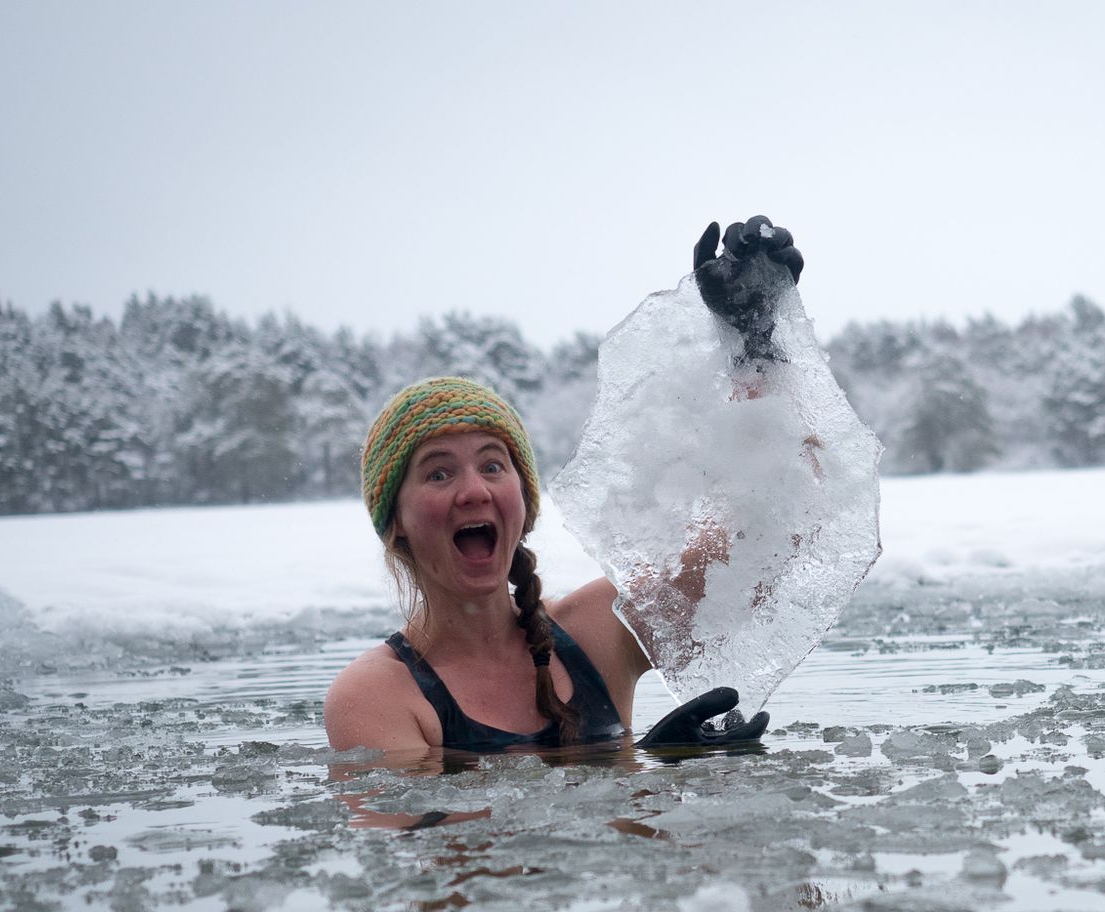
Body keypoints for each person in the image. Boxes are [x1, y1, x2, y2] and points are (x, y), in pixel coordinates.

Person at [323, 216, 805, 759]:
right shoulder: (376, 696)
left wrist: (754, 344)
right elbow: (446, 837)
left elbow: (759, 539)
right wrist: (630, 761)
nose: (474, 491)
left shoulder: (601, 631)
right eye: (438, 473)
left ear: (523, 504)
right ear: (395, 524)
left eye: (492, 466)